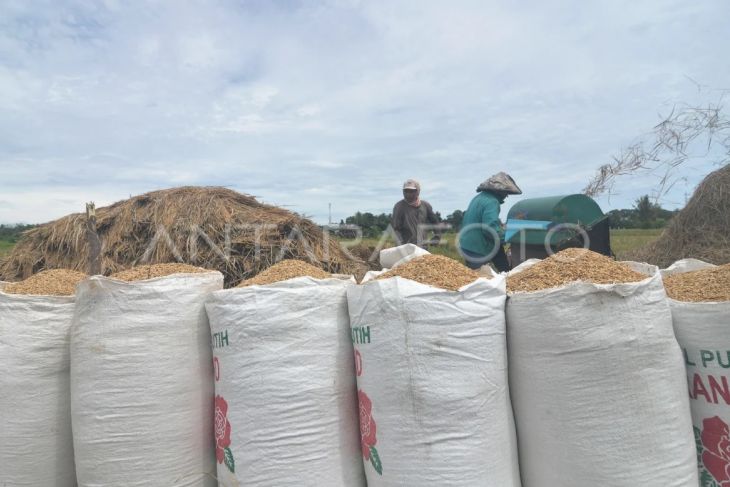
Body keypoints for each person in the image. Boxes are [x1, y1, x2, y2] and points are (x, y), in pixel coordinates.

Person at [458, 172, 522, 272]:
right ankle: (507, 280)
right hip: (477, 248)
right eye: (506, 192)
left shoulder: (479, 198)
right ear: (499, 190)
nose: (506, 196)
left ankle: (506, 275)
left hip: (468, 245)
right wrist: (509, 236)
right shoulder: (492, 202)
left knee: (502, 264)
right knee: (480, 279)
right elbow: (489, 230)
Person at [391, 179, 441, 247]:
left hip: (423, 246)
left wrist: (437, 236)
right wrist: (400, 245)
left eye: (411, 191)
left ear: (418, 191)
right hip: (406, 247)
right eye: (406, 191)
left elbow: (435, 222)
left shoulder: (425, 205)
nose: (408, 193)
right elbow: (396, 228)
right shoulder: (399, 207)